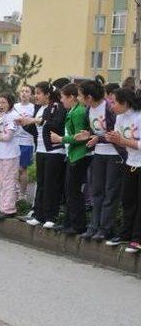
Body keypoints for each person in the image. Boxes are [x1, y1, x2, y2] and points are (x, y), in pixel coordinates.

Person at [78, 78, 123, 242]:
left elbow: (115, 135)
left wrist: (98, 139)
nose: (79, 99)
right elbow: (94, 132)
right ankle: (94, 226)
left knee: (110, 192)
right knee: (96, 191)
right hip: (98, 154)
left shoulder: (109, 108)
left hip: (114, 155)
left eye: (81, 95)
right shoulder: (88, 110)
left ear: (89, 97)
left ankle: (106, 229)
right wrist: (88, 136)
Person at [24, 82, 67, 228]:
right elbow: (36, 129)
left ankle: (51, 216)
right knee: (41, 183)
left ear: (47, 95)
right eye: (35, 93)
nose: (35, 96)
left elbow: (56, 124)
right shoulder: (40, 108)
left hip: (54, 151)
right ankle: (39, 214)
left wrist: (37, 120)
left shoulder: (57, 107)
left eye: (38, 93)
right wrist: (26, 123)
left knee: (51, 184)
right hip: (41, 149)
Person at [103, 88, 141, 252]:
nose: (111, 106)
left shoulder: (139, 117)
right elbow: (120, 141)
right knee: (127, 200)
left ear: (124, 103)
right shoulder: (119, 117)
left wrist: (122, 140)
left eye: (114, 102)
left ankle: (137, 239)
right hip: (130, 162)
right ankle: (125, 234)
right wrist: (110, 138)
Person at [50, 83, 90, 235]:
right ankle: (68, 223)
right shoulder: (72, 110)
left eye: (62, 97)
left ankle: (78, 225)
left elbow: (81, 137)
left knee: (74, 192)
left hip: (79, 156)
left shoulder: (78, 112)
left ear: (71, 97)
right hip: (72, 155)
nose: (61, 101)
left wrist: (60, 139)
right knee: (69, 192)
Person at [0, 93, 20, 219]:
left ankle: (9, 209)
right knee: (2, 181)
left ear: (10, 103)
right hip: (1, 152)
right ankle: (2, 207)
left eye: (4, 103)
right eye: (0, 102)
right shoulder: (2, 116)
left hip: (11, 153)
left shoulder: (14, 115)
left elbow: (8, 136)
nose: (1, 105)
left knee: (9, 181)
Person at [14, 85, 36, 201]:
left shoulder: (33, 108)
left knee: (22, 169)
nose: (24, 93)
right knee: (14, 169)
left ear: (31, 95)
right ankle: (15, 192)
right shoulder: (14, 107)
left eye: (27, 91)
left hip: (26, 141)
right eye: (22, 91)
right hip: (14, 140)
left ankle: (22, 194)